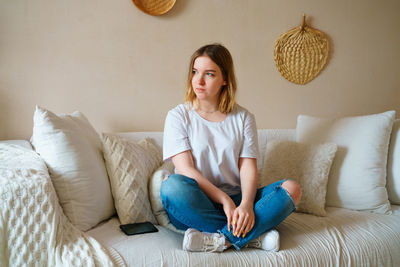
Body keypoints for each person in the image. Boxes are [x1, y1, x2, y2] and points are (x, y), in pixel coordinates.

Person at [161, 43, 302, 252]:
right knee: (172, 186)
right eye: (195, 72)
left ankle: (222, 239)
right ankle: (253, 237)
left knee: (292, 189)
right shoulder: (178, 116)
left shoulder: (243, 117)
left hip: (237, 200)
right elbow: (185, 170)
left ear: (225, 79)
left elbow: (247, 166)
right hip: (197, 201)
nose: (198, 81)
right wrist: (224, 200)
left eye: (209, 74)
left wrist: (245, 204)